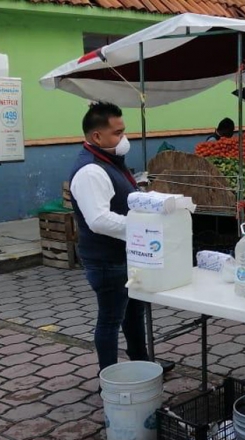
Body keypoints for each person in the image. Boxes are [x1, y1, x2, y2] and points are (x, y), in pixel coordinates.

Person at [69, 102, 173, 375]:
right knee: (110, 320)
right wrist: (141, 228)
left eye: (123, 131)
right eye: (118, 133)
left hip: (127, 256)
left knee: (134, 313)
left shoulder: (108, 162)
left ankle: (143, 364)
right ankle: (110, 379)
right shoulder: (91, 171)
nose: (124, 139)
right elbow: (99, 220)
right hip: (107, 260)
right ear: (97, 137)